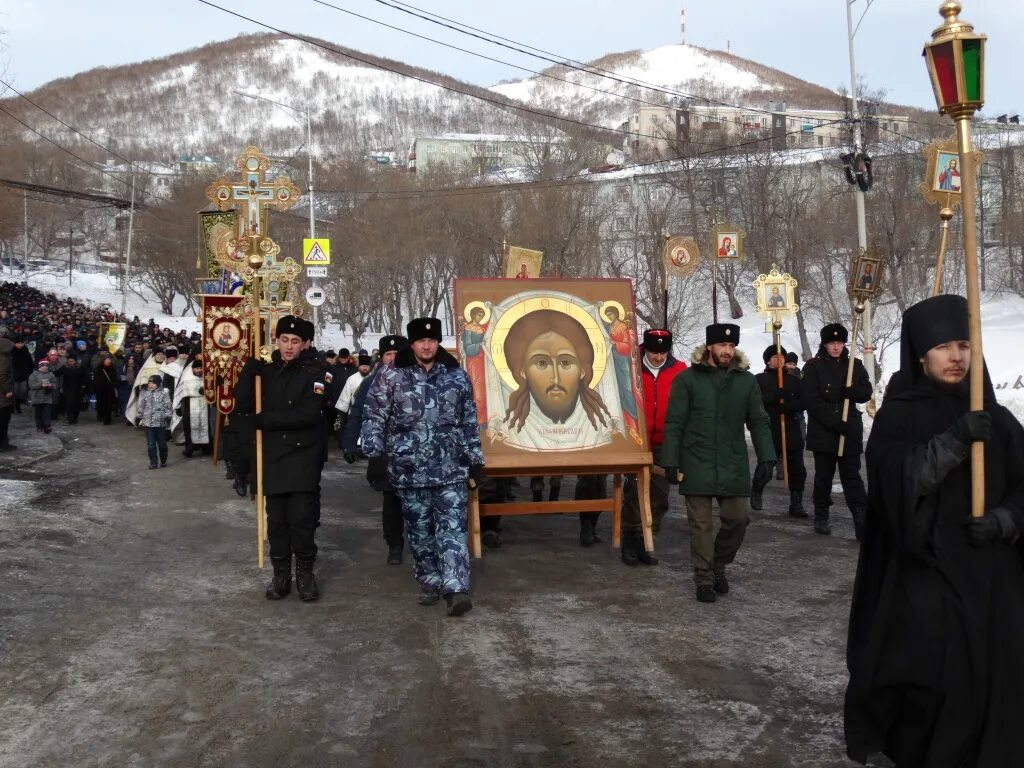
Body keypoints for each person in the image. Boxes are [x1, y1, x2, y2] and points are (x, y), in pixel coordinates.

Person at [845, 294, 1024, 767]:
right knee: (932, 682)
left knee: (995, 679)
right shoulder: (900, 414)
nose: (957, 356)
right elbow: (895, 484)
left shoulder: (999, 419)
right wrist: (955, 440)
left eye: (965, 345)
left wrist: (1004, 520)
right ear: (922, 354)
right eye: (944, 346)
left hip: (991, 577)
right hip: (925, 577)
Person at [361, 317, 483, 616]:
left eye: (432, 340)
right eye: (420, 341)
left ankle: (456, 589)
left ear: (438, 342)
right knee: (420, 532)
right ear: (412, 343)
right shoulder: (391, 375)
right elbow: (374, 416)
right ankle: (431, 582)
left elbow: (469, 420)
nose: (427, 345)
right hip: (409, 468)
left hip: (450, 467)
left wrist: (476, 460)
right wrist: (375, 455)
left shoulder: (456, 375)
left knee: (452, 531)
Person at [660, 323, 776, 603]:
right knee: (700, 525)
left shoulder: (746, 382)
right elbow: (674, 423)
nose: (727, 351)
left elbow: (759, 421)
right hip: (696, 460)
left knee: (738, 519)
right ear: (709, 347)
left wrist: (767, 457)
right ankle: (703, 577)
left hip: (732, 461)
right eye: (722, 346)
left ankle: (718, 564)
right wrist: (670, 461)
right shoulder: (688, 380)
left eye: (731, 346)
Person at [234, 316, 327, 602]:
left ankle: (305, 574)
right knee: (276, 522)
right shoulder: (267, 372)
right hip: (272, 457)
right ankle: (281, 575)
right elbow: (244, 406)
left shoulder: (316, 372)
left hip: (303, 457)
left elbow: (307, 414)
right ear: (276, 341)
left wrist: (265, 421)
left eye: (295, 341)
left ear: (305, 344)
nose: (288, 346)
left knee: (301, 519)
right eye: (284, 340)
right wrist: (248, 375)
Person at [620, 328, 687, 566]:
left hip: (665, 441)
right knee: (634, 491)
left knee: (660, 493)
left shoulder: (680, 371)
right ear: (644, 349)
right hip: (637, 439)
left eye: (662, 352)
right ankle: (630, 536)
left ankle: (647, 535)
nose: (658, 357)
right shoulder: (630, 367)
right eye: (653, 351)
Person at [342, 335, 408, 564]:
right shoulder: (371, 382)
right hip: (386, 453)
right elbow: (357, 412)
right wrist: (350, 443)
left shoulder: (417, 378)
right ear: (381, 357)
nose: (392, 359)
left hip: (415, 452)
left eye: (396, 355)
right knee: (391, 502)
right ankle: (395, 545)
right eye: (388, 355)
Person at [801, 323, 871, 537]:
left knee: (852, 476)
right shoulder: (813, 367)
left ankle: (861, 518)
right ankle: (821, 515)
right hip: (824, 430)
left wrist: (854, 392)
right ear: (824, 344)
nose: (836, 347)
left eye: (839, 342)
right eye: (832, 343)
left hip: (849, 427)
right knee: (824, 475)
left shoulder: (854, 365)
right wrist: (833, 421)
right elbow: (811, 400)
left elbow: (866, 391)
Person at [750, 345, 807, 518]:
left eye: (782, 356)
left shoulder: (794, 380)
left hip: (790, 427)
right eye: (775, 357)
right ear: (768, 360)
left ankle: (796, 504)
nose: (779, 359)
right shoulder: (759, 379)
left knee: (797, 468)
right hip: (769, 428)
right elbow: (755, 401)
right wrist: (775, 396)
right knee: (767, 464)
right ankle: (757, 490)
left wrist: (789, 405)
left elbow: (804, 402)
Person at [136, 374, 172, 469]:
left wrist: (168, 416)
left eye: (153, 383)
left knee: (162, 445)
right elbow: (141, 406)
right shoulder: (145, 393)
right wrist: (139, 417)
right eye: (149, 383)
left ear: (159, 384)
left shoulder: (164, 394)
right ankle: (153, 463)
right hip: (148, 424)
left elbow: (168, 405)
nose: (151, 385)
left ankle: (163, 460)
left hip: (160, 424)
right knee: (151, 445)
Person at [55, 354, 88, 424]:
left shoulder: (80, 368)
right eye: (69, 361)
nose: (70, 363)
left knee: (76, 404)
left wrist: (84, 385)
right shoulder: (65, 368)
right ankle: (70, 418)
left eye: (72, 361)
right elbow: (57, 373)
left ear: (75, 361)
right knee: (69, 403)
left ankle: (75, 417)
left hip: (77, 389)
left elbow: (85, 377)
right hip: (67, 388)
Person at [28, 359, 56, 433]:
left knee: (46, 413)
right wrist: (41, 385)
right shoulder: (33, 375)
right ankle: (39, 426)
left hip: (47, 397)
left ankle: (47, 426)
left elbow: (55, 384)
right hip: (37, 398)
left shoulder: (51, 374)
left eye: (46, 366)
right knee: (38, 413)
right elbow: (31, 385)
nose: (45, 367)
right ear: (39, 366)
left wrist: (51, 385)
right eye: (43, 366)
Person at [93, 355, 118, 425]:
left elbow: (115, 379)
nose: (108, 361)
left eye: (109, 359)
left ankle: (107, 419)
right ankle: (101, 416)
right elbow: (96, 380)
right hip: (100, 390)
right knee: (101, 403)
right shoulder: (99, 369)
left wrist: (114, 385)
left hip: (110, 389)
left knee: (109, 404)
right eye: (107, 359)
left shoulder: (112, 368)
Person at [0, 335, 15, 451]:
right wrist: (8, 390)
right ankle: (3, 444)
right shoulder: (4, 359)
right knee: (4, 420)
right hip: (3, 395)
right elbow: (2, 376)